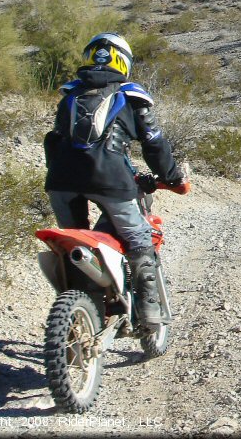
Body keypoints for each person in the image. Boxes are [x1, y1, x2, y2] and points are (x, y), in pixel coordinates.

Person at [43, 32, 186, 326]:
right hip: (110, 179)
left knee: (73, 243)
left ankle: (85, 309)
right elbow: (154, 143)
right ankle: (149, 309)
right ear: (124, 61)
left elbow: (54, 141)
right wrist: (172, 177)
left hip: (60, 181)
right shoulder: (130, 94)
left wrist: (59, 173)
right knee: (138, 237)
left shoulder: (70, 93)